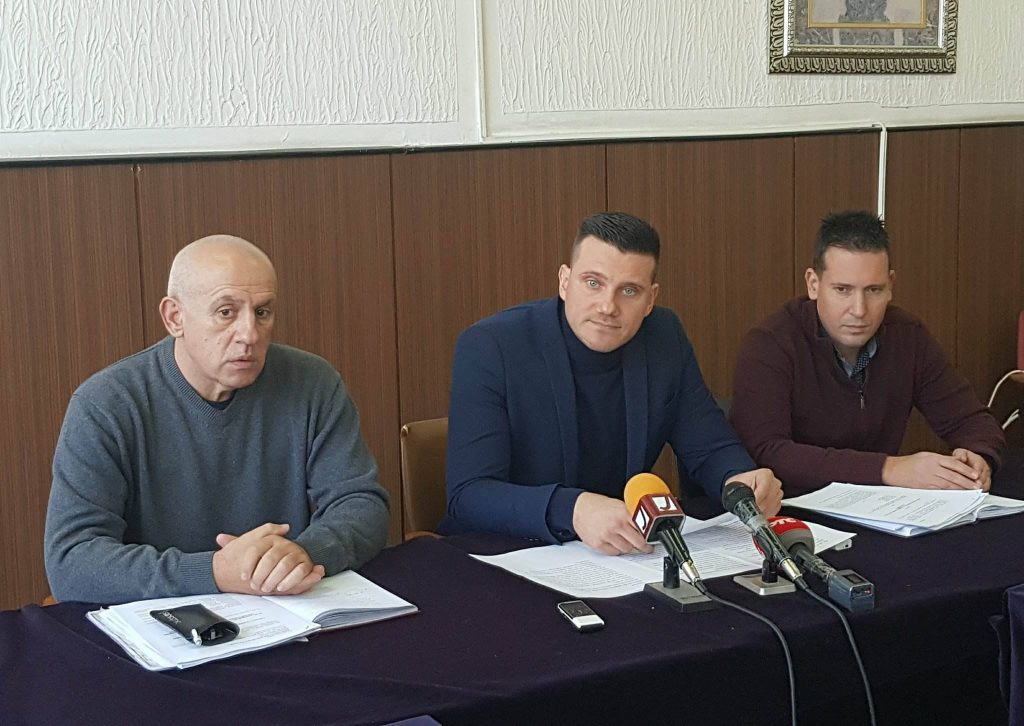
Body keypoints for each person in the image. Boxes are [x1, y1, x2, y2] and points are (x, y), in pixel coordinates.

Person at [44, 235, 389, 603]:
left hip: (285, 607)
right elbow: (72, 562)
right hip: (163, 619)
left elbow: (361, 503)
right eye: (226, 312)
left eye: (262, 312)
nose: (249, 334)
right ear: (175, 318)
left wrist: (304, 553)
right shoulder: (106, 404)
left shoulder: (313, 383)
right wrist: (214, 572)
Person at [444, 212, 782, 555]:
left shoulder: (664, 337)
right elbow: (469, 494)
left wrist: (740, 480)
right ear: (564, 281)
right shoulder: (492, 346)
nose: (608, 306)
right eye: (593, 283)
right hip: (506, 553)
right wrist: (572, 509)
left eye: (629, 290)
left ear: (650, 300)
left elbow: (709, 447)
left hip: (621, 554)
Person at [730, 210, 1004, 496]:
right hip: (796, 507)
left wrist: (978, 457)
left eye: (874, 290)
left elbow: (972, 421)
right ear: (813, 284)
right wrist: (888, 469)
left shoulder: (907, 336)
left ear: (891, 286)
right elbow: (767, 451)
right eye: (842, 290)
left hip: (883, 508)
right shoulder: (771, 343)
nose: (859, 310)